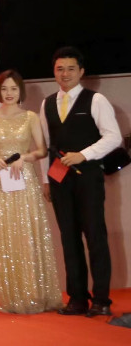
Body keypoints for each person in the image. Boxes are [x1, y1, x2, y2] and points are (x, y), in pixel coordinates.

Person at [39, 47, 120, 317]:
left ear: (81, 72)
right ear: (54, 72)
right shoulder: (47, 103)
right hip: (59, 180)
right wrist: (46, 180)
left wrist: (83, 155)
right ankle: (76, 298)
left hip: (89, 178)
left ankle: (101, 299)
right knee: (69, 237)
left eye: (71, 68)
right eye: (60, 69)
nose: (65, 74)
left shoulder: (95, 100)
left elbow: (113, 137)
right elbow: (46, 145)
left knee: (95, 236)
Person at [0, 70, 62, 314]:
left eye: (13, 88)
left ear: (20, 91)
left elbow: (42, 150)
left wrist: (24, 157)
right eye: (4, 88)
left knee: (30, 232)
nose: (9, 93)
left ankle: (36, 294)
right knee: (6, 233)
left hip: (25, 178)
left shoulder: (30, 117)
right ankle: (13, 296)